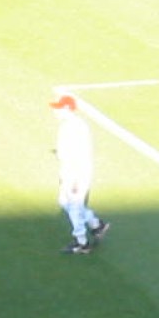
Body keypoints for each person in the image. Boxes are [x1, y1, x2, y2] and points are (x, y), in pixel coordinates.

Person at [50, 95, 108, 254]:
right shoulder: (69, 125)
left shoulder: (75, 127)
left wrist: (75, 178)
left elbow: (79, 153)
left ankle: (82, 242)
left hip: (76, 172)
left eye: (58, 108)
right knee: (64, 202)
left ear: (67, 108)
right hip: (70, 170)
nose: (55, 111)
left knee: (74, 206)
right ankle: (96, 224)